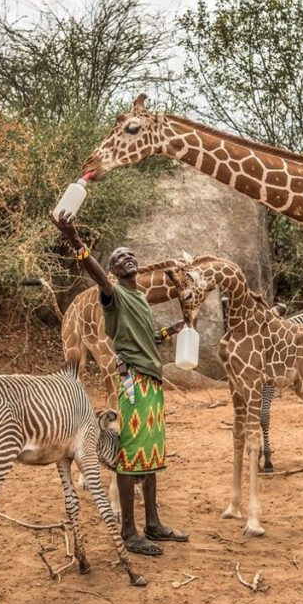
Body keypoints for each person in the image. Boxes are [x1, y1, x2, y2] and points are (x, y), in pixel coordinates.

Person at [52, 211, 189, 556]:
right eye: (118, 258)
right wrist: (73, 238)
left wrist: (169, 332)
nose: (127, 258)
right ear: (111, 271)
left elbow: (144, 338)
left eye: (130, 255)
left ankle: (153, 524)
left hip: (152, 380)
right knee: (130, 455)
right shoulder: (111, 293)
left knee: (152, 453)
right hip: (134, 382)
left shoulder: (139, 298)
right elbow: (95, 273)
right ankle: (129, 531)